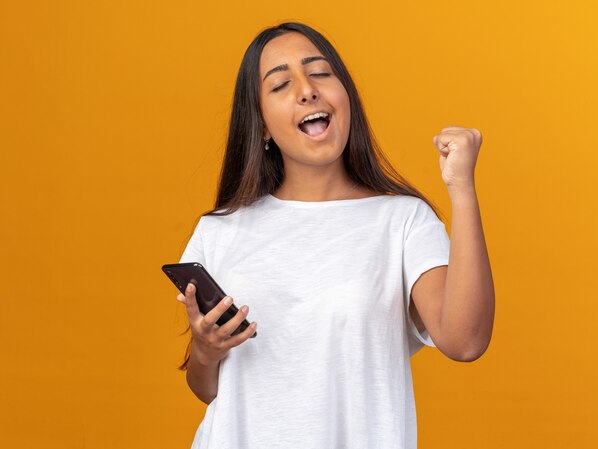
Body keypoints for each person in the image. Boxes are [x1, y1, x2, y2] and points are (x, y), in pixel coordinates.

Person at [175, 21, 495, 449]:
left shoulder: (402, 221)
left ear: (346, 97)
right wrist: (205, 350)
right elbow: (209, 390)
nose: (307, 89)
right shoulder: (219, 231)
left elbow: (466, 341)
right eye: (281, 84)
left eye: (320, 72)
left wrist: (462, 189)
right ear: (263, 126)